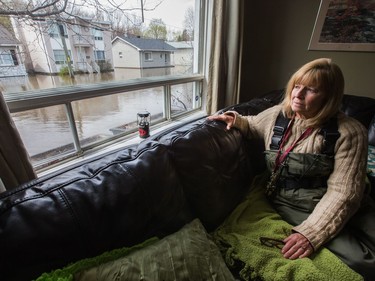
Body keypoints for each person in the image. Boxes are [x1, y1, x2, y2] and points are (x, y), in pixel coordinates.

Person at [208, 58, 375, 280]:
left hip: (338, 199)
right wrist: (234, 118)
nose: (298, 94)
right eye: (297, 86)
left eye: (311, 89)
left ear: (329, 96)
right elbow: (253, 123)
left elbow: (344, 193)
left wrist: (311, 234)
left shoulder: (351, 132)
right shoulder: (278, 114)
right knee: (365, 262)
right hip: (294, 202)